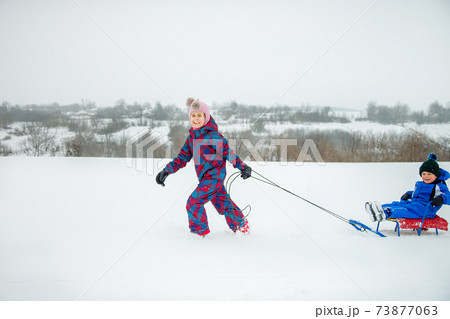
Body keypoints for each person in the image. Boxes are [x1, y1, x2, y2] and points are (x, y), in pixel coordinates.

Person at [155, 97, 252, 236]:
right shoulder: (192, 138)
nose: (195, 119)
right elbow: (182, 157)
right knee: (224, 204)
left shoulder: (213, 136)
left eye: (199, 115)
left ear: (206, 117)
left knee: (193, 202)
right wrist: (166, 171)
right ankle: (242, 228)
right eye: (192, 116)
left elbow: (228, 153)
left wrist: (242, 167)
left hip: (214, 178)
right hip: (206, 179)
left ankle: (199, 234)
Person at [365, 153, 449, 222]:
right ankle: (378, 209)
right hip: (415, 204)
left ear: (436, 175)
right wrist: (409, 194)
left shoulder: (439, 185)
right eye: (424, 174)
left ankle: (386, 213)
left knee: (407, 209)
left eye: (429, 174)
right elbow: (418, 194)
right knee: (399, 204)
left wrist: (442, 199)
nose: (426, 176)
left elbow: (448, 196)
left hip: (426, 210)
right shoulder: (421, 184)